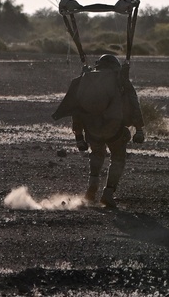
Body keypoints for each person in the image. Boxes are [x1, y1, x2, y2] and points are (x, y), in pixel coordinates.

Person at [53, 53, 145, 208]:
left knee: (96, 155)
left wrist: (79, 136)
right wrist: (139, 129)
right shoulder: (120, 81)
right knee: (117, 158)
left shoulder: (87, 80)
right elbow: (134, 104)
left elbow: (78, 109)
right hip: (114, 129)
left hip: (92, 130)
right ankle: (108, 193)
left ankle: (92, 189)